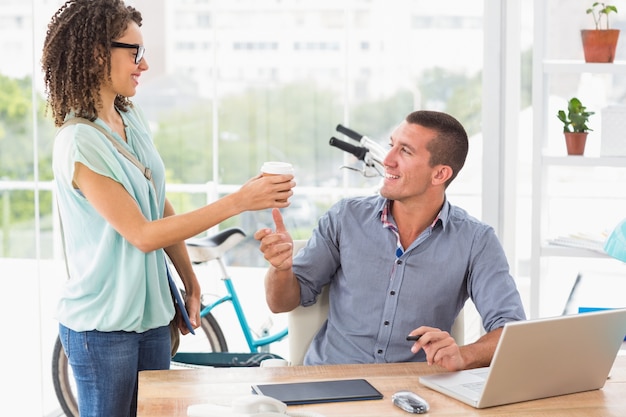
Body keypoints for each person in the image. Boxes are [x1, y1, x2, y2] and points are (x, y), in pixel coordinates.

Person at [42, 1, 295, 416]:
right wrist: (239, 200)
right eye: (134, 52)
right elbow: (142, 234)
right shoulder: (79, 141)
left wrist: (188, 278)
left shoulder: (129, 117)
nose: (144, 64)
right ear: (94, 53)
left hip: (153, 319)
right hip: (103, 328)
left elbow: (159, 204)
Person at [255, 110, 526, 371]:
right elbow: (280, 303)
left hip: (415, 389)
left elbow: (511, 331)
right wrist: (281, 269)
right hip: (332, 378)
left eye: (405, 151)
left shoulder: (476, 241)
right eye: (391, 145)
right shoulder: (345, 217)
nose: (388, 159)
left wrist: (463, 356)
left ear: (440, 174)